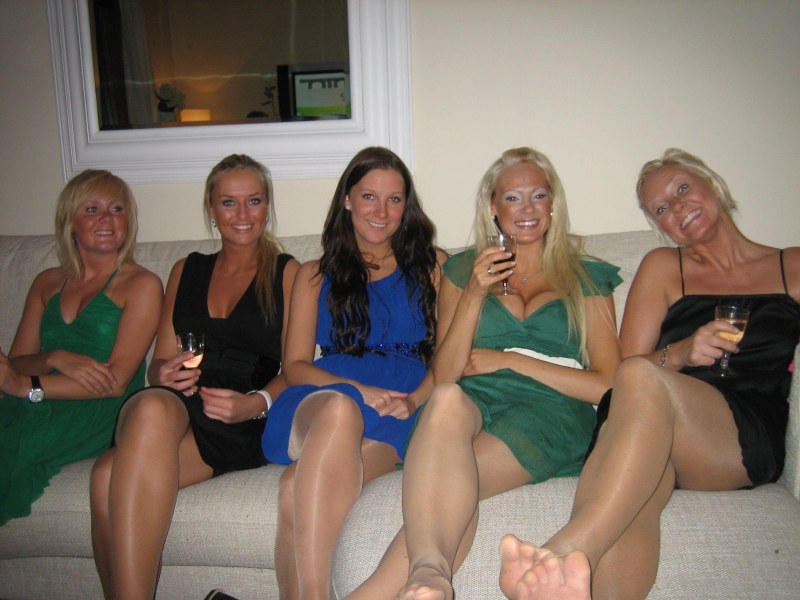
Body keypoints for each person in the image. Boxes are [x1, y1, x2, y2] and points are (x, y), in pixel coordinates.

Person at [498, 148, 800, 600]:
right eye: (661, 208)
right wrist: (680, 353)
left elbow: (637, 376)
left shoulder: (790, 265)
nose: (677, 207)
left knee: (642, 380)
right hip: (654, 427)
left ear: (713, 185)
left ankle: (564, 552)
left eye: (682, 188)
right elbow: (625, 373)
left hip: (737, 436)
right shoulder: (663, 267)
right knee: (636, 490)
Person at [346, 147, 622, 600]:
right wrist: (474, 293)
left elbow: (609, 385)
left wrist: (512, 360)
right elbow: (446, 375)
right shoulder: (461, 270)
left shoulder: (587, 277)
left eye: (538, 195)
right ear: (493, 207)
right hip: (472, 397)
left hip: (551, 407)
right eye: (512, 197)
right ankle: (430, 577)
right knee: (445, 399)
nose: (527, 208)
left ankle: (419, 577)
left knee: (453, 481)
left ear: (553, 203)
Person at [90, 154, 300, 600]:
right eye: (228, 202)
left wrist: (256, 402)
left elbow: (297, 368)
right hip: (174, 405)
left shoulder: (288, 273)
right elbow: (159, 363)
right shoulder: (187, 268)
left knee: (108, 477)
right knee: (147, 411)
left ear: (267, 206)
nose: (242, 214)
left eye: (254, 201)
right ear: (211, 208)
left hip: (236, 418)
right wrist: (162, 372)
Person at [261, 146, 446, 599]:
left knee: (294, 490)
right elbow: (295, 365)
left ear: (407, 205)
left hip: (398, 411)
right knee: (341, 409)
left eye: (394, 199)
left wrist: (415, 400)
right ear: (347, 199)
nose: (382, 212)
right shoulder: (312, 274)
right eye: (369, 197)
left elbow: (448, 357)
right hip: (323, 398)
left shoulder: (434, 267)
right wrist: (358, 390)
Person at [0, 169, 162, 525]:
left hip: (96, 409)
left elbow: (115, 382)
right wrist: (56, 357)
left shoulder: (142, 284)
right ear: (69, 222)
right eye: (92, 209)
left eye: (116, 209)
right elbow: (17, 362)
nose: (106, 219)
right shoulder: (46, 282)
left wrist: (26, 387)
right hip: (36, 398)